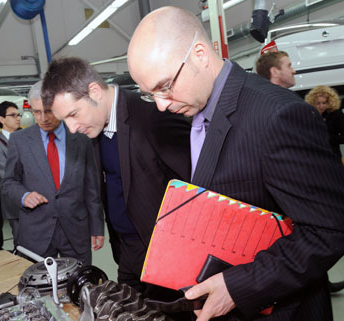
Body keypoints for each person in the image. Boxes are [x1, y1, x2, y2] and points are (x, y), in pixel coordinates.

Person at [127, 6, 344, 321]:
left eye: (164, 87)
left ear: (200, 54)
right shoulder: (197, 111)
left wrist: (235, 287)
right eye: (150, 95)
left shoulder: (276, 116)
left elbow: (328, 229)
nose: (161, 105)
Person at [41, 57, 191, 293]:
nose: (72, 128)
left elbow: (197, 183)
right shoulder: (97, 124)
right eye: (64, 121)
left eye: (73, 114)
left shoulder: (152, 116)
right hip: (126, 251)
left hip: (163, 254)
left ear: (94, 91)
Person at [2, 81, 104, 266]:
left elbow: (92, 187)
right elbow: (8, 181)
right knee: (40, 290)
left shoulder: (81, 138)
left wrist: (97, 226)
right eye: (36, 112)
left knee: (80, 286)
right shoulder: (20, 140)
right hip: (36, 232)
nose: (43, 118)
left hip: (75, 230)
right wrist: (24, 196)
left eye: (48, 111)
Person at [0, 101, 22, 247]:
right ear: (1, 119)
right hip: (16, 204)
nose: (18, 118)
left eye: (19, 114)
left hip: (39, 202)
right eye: (13, 115)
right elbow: (5, 175)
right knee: (23, 244)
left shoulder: (26, 138)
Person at [305, 85, 344, 158]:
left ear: (330, 102)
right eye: (318, 103)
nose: (321, 106)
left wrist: (327, 138)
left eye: (324, 103)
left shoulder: (336, 114)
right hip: (314, 156)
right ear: (312, 103)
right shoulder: (308, 115)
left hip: (333, 156)